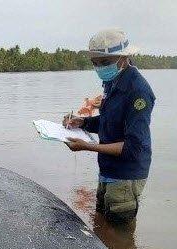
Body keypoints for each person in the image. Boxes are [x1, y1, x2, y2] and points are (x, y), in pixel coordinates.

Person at [63, 29, 155, 223]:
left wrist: (86, 146)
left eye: (104, 63)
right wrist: (83, 122)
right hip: (108, 169)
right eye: (94, 63)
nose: (99, 68)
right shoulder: (112, 82)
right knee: (102, 224)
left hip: (125, 175)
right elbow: (109, 122)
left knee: (120, 235)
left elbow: (132, 147)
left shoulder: (138, 92)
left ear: (123, 58)